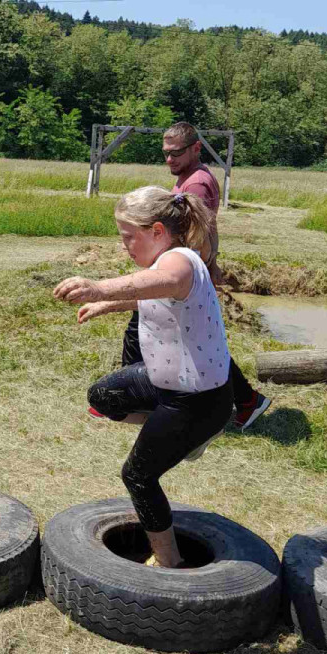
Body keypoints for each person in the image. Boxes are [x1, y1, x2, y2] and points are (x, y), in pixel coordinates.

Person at [54, 187, 234, 568]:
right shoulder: (165, 266)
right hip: (166, 383)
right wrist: (108, 304)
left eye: (127, 237)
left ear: (156, 231)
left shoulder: (181, 261)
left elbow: (167, 283)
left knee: (138, 476)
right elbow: (154, 291)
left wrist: (99, 286)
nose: (124, 247)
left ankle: (170, 562)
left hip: (196, 400)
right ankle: (181, 436)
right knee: (103, 397)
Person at [121, 121, 270, 431]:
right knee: (197, 343)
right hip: (184, 274)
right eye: (165, 153)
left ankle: (131, 398)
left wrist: (182, 273)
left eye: (176, 153)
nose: (169, 160)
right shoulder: (188, 180)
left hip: (183, 279)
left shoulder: (196, 184)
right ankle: (246, 400)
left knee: (145, 332)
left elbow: (197, 237)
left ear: (196, 148)